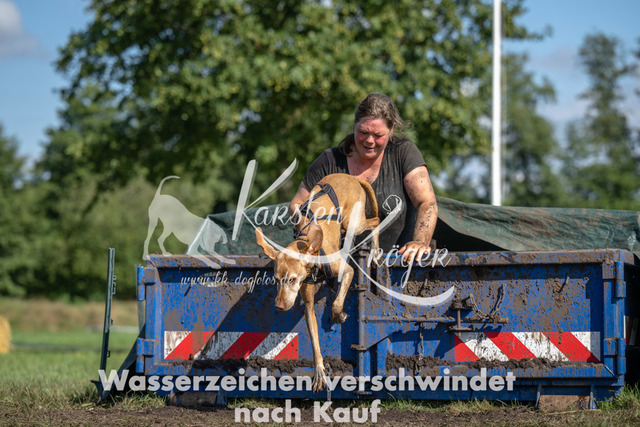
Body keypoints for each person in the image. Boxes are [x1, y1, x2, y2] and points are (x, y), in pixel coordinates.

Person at [289, 93, 438, 265]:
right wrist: (315, 230)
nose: (369, 140)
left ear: (391, 129)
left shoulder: (404, 153)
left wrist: (420, 242)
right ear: (354, 124)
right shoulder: (329, 161)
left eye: (378, 135)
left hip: (400, 266)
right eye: (363, 132)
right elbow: (296, 205)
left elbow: (427, 203)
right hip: (338, 268)